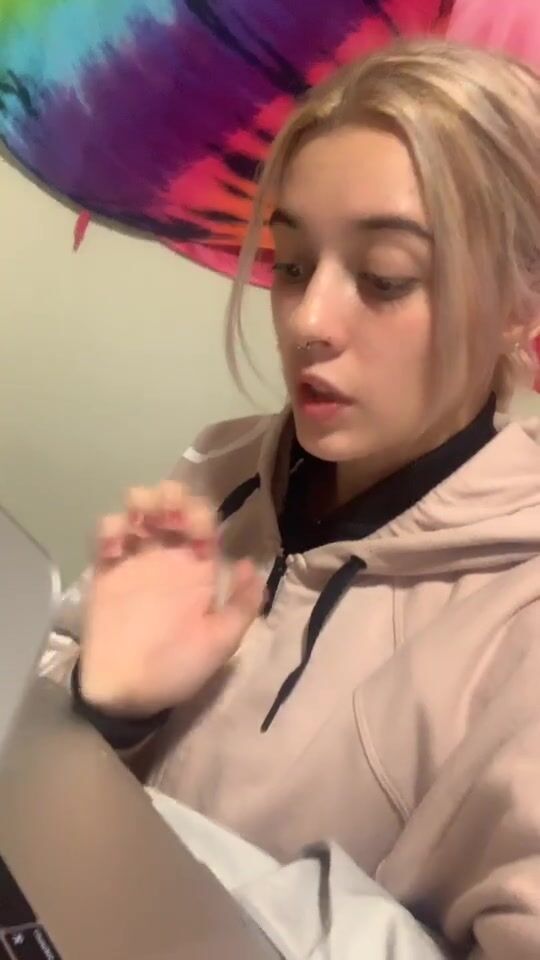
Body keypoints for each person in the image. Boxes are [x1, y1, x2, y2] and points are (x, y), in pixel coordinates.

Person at [41, 38, 540, 958]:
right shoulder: (218, 476)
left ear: (519, 306)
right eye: (294, 262)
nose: (308, 322)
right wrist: (104, 709)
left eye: (385, 278)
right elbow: (34, 774)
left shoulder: (520, 625)